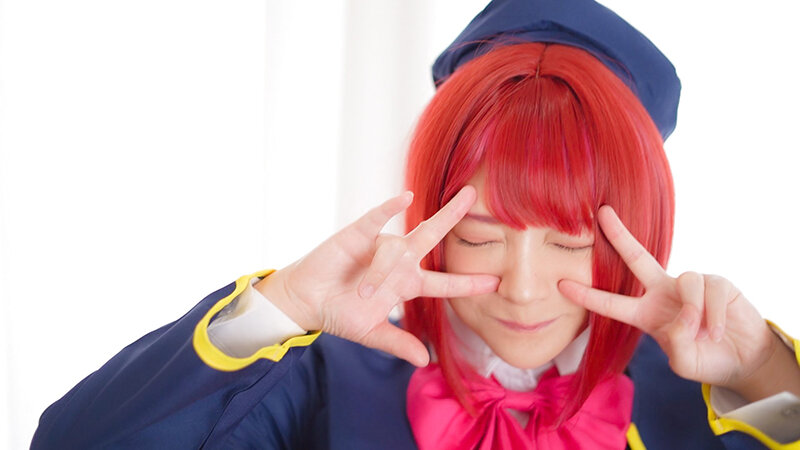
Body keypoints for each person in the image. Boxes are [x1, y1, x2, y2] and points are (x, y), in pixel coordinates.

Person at [31, 0, 800, 449]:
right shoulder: (324, 380)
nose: (522, 288)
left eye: (568, 241)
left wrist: (766, 368)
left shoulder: (714, 404)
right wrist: (282, 306)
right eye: (482, 235)